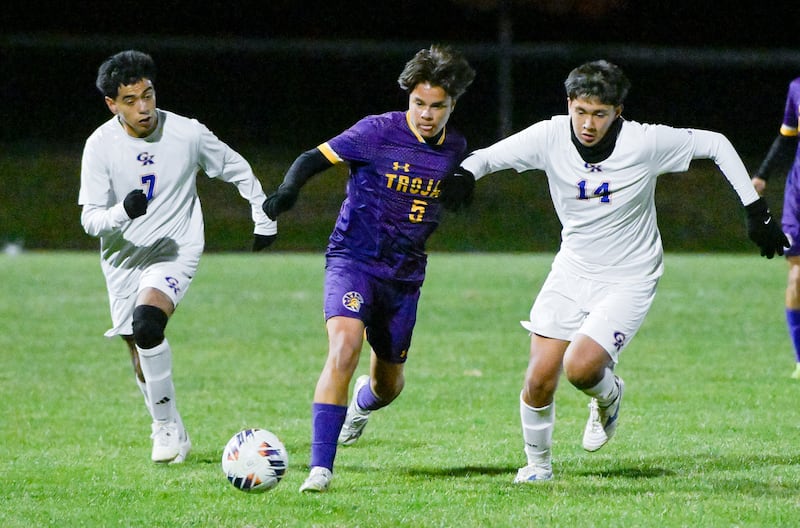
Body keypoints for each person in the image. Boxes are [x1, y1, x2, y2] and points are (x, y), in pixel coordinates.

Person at [439, 60, 788, 483]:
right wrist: (464, 174)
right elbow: (487, 157)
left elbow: (714, 143)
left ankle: (608, 395)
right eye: (581, 111)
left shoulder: (644, 142)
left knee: (581, 368)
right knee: (538, 377)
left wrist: (755, 210)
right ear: (569, 104)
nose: (587, 123)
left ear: (617, 112)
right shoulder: (549, 136)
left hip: (630, 275)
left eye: (599, 114)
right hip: (573, 269)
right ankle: (538, 467)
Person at [263, 44, 475, 492]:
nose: (427, 114)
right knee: (343, 347)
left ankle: (360, 406)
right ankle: (321, 468)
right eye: (419, 103)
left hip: (404, 277)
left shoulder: (456, 148)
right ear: (408, 99)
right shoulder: (376, 132)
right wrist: (287, 192)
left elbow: (458, 187)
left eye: (438, 106)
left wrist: (462, 190)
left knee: (389, 385)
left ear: (452, 105)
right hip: (353, 260)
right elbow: (311, 158)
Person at [78, 50, 277, 464]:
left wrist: (262, 215)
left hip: (174, 247)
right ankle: (172, 424)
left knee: (148, 324)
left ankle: (163, 428)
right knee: (138, 349)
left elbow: (235, 167)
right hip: (123, 258)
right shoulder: (99, 146)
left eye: (147, 95)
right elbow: (91, 220)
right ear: (112, 105)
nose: (144, 107)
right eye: (130, 101)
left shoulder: (187, 133)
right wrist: (122, 212)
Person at [751, 76, 800, 379]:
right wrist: (762, 175)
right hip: (798, 197)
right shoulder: (796, 88)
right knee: (797, 277)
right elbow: (786, 137)